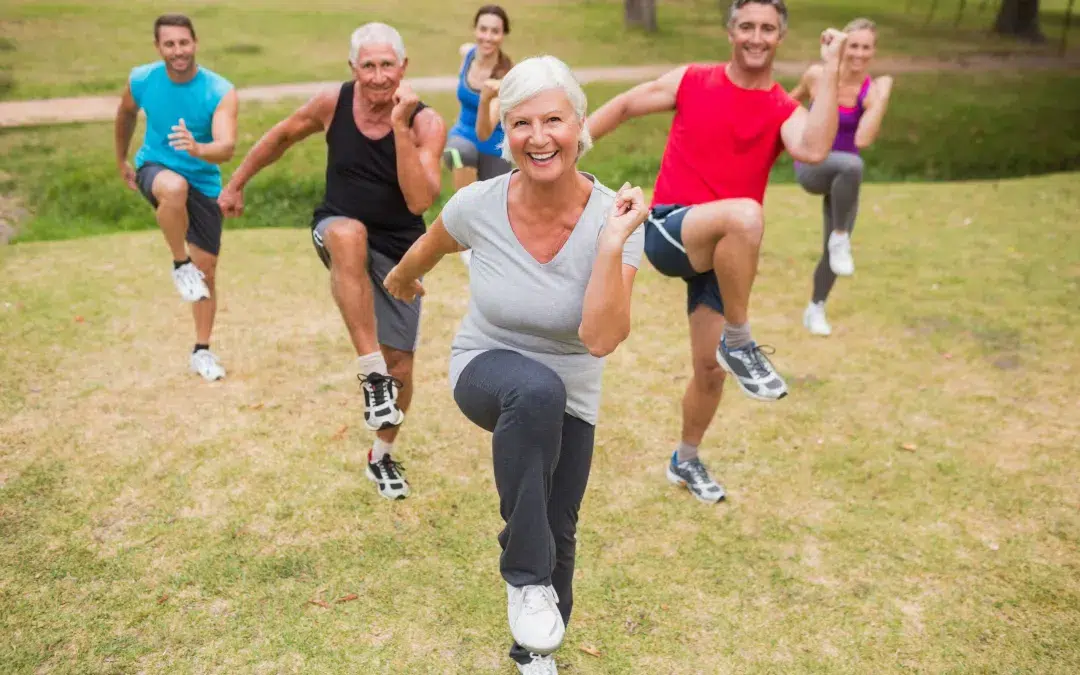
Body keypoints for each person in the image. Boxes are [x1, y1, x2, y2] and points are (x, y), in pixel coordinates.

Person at [384, 55, 647, 675]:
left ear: (579, 126)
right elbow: (428, 246)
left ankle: (534, 650)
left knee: (559, 518)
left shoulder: (617, 219)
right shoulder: (480, 204)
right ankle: (524, 576)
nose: (538, 137)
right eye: (521, 123)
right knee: (534, 391)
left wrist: (610, 244)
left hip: (574, 390)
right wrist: (399, 280)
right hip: (486, 368)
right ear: (505, 133)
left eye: (552, 120)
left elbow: (602, 337)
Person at [586, 0, 846, 503]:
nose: (756, 36)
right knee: (746, 214)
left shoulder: (781, 109)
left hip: (724, 253)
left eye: (767, 28)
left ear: (779, 38)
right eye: (746, 25)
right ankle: (742, 339)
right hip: (668, 230)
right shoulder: (693, 80)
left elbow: (813, 149)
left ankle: (685, 459)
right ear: (730, 32)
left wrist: (832, 68)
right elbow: (623, 105)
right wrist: (566, 150)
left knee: (709, 370)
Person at [217, 23, 446, 500]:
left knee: (402, 365)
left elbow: (420, 198)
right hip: (338, 227)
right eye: (368, 65)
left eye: (387, 65)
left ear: (403, 68)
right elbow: (281, 137)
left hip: (401, 247)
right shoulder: (332, 103)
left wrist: (400, 128)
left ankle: (380, 455)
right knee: (349, 233)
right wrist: (236, 182)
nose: (378, 76)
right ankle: (371, 374)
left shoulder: (426, 123)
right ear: (353, 69)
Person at [114, 13, 238, 381]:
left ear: (195, 43)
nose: (178, 50)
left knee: (208, 273)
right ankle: (179, 263)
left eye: (184, 42)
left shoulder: (219, 90)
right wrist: (121, 158)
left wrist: (198, 149)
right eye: (169, 44)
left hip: (204, 181)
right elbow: (125, 115)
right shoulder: (142, 79)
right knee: (173, 188)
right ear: (158, 47)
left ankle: (202, 350)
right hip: (155, 168)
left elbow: (227, 148)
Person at [789, 18, 894, 336]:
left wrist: (882, 98)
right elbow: (785, 105)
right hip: (812, 166)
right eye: (854, 46)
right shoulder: (817, 77)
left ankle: (816, 308)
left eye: (866, 47)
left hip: (845, 178)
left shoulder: (870, 91)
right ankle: (840, 236)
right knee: (853, 167)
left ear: (873, 52)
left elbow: (862, 140)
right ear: (843, 47)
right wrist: (796, 132)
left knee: (834, 252)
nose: (859, 54)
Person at [443, 4, 515, 267]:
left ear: (503, 35)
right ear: (475, 30)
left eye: (495, 31)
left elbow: (484, 131)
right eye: (483, 29)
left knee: (497, 209)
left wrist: (485, 100)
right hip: (461, 137)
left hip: (492, 145)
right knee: (460, 153)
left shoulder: (505, 76)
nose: (487, 37)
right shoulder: (467, 54)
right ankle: (463, 235)